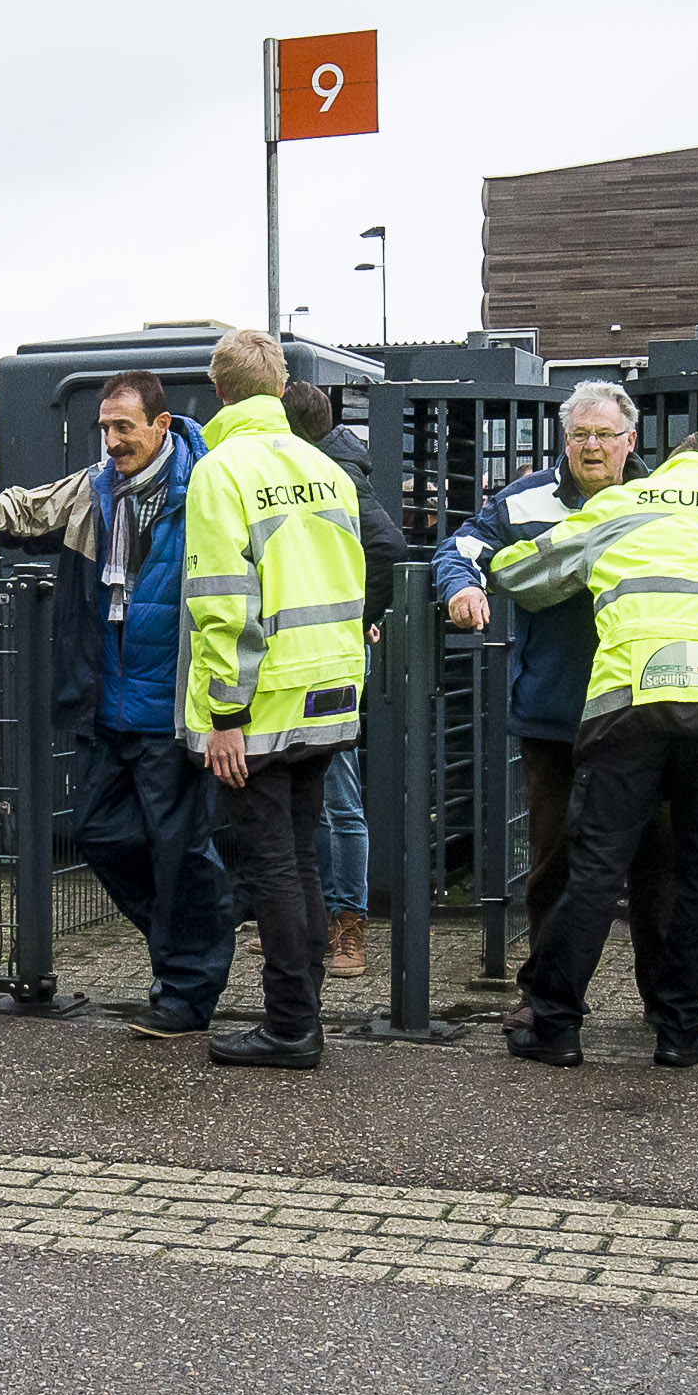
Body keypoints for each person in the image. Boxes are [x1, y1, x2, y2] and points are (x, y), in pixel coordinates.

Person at [439, 383, 698, 1030]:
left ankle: (654, 999)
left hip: (639, 708)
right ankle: (549, 996)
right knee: (558, 862)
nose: (592, 446)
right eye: (580, 433)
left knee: (659, 866)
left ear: (630, 440)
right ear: (565, 439)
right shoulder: (525, 499)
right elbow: (464, 548)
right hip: (559, 715)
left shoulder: (654, 499)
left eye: (605, 435)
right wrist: (461, 586)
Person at [0, 370, 236, 1038]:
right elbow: (25, 507)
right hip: (105, 710)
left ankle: (186, 992)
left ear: (160, 427)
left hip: (171, 712)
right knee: (100, 835)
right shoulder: (93, 489)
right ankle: (189, 936)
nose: (110, 442)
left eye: (122, 428)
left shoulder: (204, 489)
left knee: (180, 851)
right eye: (103, 428)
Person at [176, 331, 370, 1069]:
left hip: (259, 704)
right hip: (328, 692)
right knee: (302, 858)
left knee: (274, 868)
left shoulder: (220, 471)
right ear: (279, 385)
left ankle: (290, 1026)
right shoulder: (324, 469)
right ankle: (302, 1014)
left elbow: (223, 604)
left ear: (217, 390)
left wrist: (224, 714)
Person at [280, 382, 411, 979]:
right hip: (304, 651)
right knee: (312, 792)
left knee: (337, 794)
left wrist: (361, 617)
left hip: (328, 653)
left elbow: (387, 546)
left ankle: (348, 924)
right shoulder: (335, 463)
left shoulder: (332, 471)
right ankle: (316, 919)